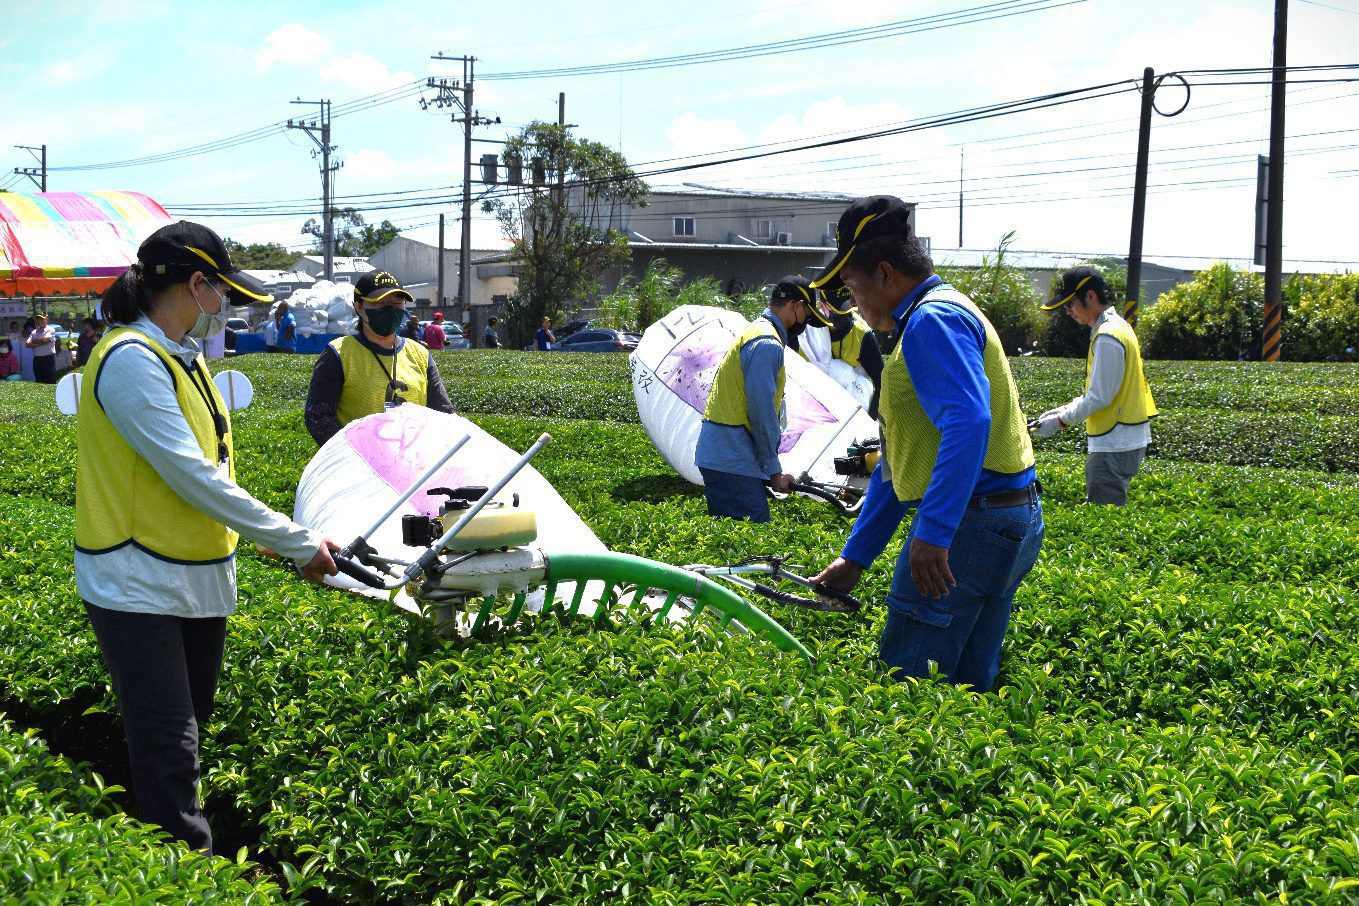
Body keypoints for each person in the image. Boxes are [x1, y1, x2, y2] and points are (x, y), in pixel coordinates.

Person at [74, 221, 340, 854]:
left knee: (187, 735)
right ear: (196, 284)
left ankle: (168, 859)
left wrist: (261, 532)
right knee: (170, 749)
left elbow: (213, 467)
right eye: (221, 288)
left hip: (195, 576)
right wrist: (296, 539)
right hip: (137, 582)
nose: (225, 302)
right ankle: (188, 876)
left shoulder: (182, 356)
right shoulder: (130, 360)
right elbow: (189, 474)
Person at [809, 196, 1043, 691]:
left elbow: (969, 421)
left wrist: (934, 533)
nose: (854, 305)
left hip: (972, 524)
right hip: (1004, 517)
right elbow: (903, 461)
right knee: (968, 685)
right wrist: (857, 556)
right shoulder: (944, 311)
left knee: (910, 684)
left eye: (853, 288)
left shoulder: (931, 321)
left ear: (885, 274)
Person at [1031, 267, 1157, 506]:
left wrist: (1060, 422)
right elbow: (1099, 391)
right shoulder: (1118, 327)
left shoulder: (1108, 336)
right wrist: (1062, 410)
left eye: (1070, 304)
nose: (1068, 311)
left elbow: (1100, 397)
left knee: (1105, 515)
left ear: (1090, 296)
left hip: (1114, 442)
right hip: (1122, 438)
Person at [694, 275, 813, 523]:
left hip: (725, 454)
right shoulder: (767, 343)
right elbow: (761, 411)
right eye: (807, 314)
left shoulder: (757, 330)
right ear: (797, 306)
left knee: (731, 537)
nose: (806, 321)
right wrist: (774, 469)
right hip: (731, 457)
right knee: (755, 532)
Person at [304, 270, 455, 446]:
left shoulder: (420, 354)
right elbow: (318, 417)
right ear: (359, 307)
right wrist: (352, 453)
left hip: (413, 458)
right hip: (360, 459)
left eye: (397, 303)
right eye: (380, 302)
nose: (390, 309)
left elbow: (444, 413)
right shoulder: (339, 354)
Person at [26, 312, 58, 384]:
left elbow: (45, 340)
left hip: (48, 359)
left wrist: (33, 341)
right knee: (39, 381)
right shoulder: (34, 332)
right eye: (39, 319)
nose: (40, 321)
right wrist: (41, 343)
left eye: (42, 319)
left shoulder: (51, 329)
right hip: (37, 360)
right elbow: (27, 344)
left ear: (47, 320)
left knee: (50, 381)